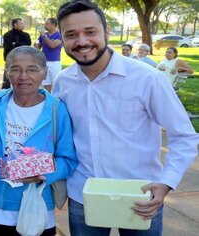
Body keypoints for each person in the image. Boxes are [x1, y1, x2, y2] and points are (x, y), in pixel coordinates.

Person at [53, 1, 199, 235]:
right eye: (71, 34)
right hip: (83, 194)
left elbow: (184, 136)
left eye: (90, 32)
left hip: (141, 194)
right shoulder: (63, 81)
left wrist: (166, 182)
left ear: (107, 32)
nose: (81, 41)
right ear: (62, 38)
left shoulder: (147, 78)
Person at [0, 46, 78, 235]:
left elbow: (68, 160)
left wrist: (43, 174)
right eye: (16, 69)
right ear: (7, 72)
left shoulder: (57, 110)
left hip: (36, 206)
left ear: (45, 73)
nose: (23, 76)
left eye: (32, 69)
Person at [1, 18, 32, 89]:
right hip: (10, 60)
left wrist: (15, 43)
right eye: (20, 23)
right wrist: (21, 44)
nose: (22, 25)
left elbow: (28, 45)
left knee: (22, 77)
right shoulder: (7, 35)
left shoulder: (26, 35)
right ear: (15, 24)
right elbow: (8, 46)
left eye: (22, 23)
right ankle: (4, 94)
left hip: (23, 60)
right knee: (7, 78)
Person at [34, 18, 63, 92]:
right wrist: (36, 44)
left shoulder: (59, 35)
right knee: (45, 82)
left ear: (53, 25)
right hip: (44, 62)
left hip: (54, 62)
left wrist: (44, 36)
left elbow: (52, 45)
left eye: (47, 24)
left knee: (56, 81)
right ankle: (50, 96)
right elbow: (37, 47)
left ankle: (57, 97)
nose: (45, 25)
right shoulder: (44, 35)